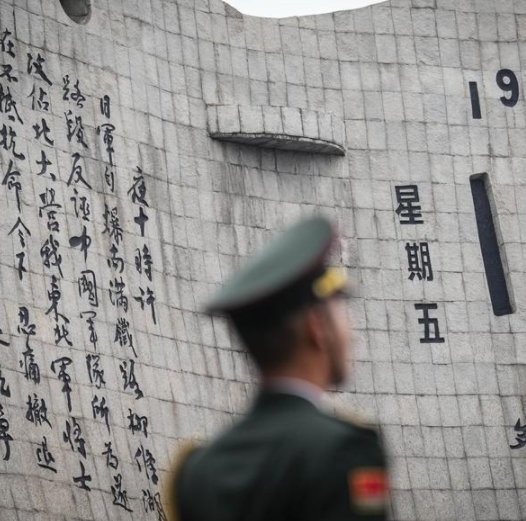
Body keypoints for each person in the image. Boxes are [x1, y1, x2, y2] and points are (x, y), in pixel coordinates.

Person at [164, 216, 389, 520]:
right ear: (317, 327)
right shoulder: (344, 450)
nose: (353, 330)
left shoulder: (198, 470)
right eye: (342, 312)